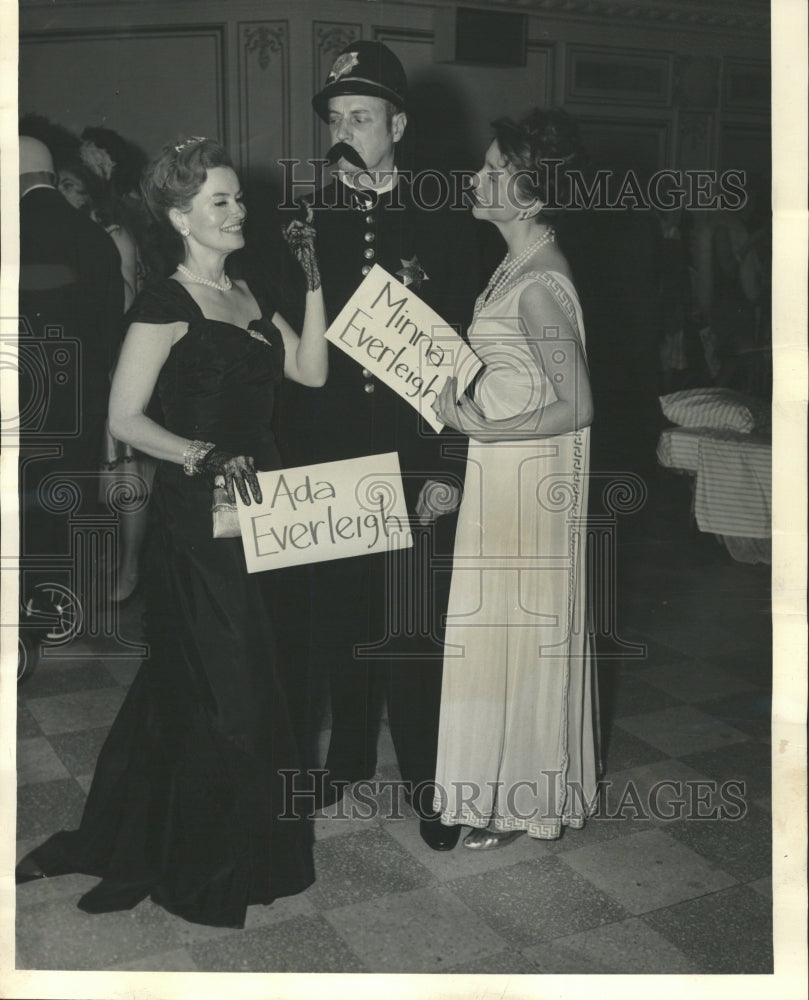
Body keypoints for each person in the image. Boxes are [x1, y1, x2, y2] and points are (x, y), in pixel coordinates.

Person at [16, 137, 327, 928]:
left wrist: (316, 278)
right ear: (179, 215)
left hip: (266, 508)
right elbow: (122, 418)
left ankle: (167, 829)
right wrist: (201, 452)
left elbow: (311, 372)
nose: (237, 212)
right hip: (199, 519)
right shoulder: (164, 302)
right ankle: (211, 858)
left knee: (219, 680)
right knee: (233, 688)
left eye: (238, 198)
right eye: (219, 201)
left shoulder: (250, 293)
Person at [273, 41, 481, 850]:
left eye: (362, 117)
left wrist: (446, 468)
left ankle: (429, 781)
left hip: (411, 456)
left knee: (414, 624)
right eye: (336, 118)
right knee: (340, 619)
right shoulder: (306, 215)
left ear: (397, 122)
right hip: (329, 455)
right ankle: (350, 757)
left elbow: (462, 350)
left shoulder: (442, 213)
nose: (346, 131)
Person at [431, 110, 601, 849]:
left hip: (525, 477)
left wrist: (483, 427)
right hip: (502, 467)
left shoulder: (538, 284)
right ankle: (499, 787)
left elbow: (577, 404)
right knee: (497, 630)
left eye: (494, 169)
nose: (476, 178)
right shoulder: (516, 264)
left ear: (528, 195)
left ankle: (516, 799)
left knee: (516, 633)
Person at [17, 135, 124, 668]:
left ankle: (19, 622)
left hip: (16, 400)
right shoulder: (94, 237)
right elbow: (110, 331)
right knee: (67, 501)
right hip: (81, 398)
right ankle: (60, 613)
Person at [76, 126, 156, 603]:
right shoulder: (88, 232)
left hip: (124, 358)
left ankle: (129, 571)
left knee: (128, 470)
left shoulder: (117, 232)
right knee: (112, 470)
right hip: (104, 358)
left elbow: (128, 304)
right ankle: (119, 563)